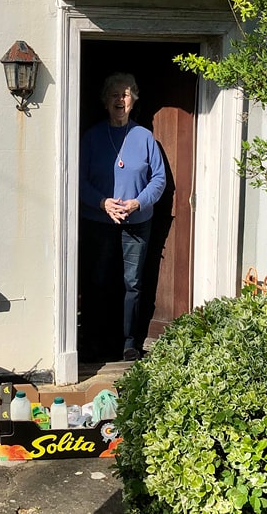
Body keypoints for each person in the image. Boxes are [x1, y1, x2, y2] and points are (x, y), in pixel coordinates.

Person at [79, 72, 166, 363]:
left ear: (133, 100)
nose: (120, 99)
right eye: (115, 94)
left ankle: (130, 342)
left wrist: (137, 203)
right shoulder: (91, 138)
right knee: (98, 282)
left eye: (126, 94)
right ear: (105, 101)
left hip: (137, 223)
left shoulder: (144, 137)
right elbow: (77, 181)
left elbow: (159, 179)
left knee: (134, 283)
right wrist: (103, 203)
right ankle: (96, 342)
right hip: (99, 222)